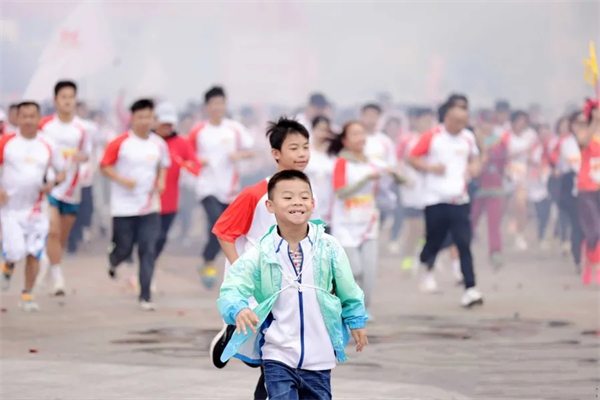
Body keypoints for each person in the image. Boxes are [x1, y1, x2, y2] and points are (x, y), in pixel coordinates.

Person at [217, 170, 368, 400]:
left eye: (304, 197)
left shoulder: (329, 247)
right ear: (270, 205)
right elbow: (233, 286)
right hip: (278, 354)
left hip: (320, 357)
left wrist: (355, 320)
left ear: (313, 203)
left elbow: (349, 290)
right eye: (287, 197)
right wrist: (239, 308)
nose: (297, 202)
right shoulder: (261, 252)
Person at [208, 117, 314, 400]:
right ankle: (233, 334)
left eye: (306, 146)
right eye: (294, 147)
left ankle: (234, 336)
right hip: (260, 286)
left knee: (276, 357)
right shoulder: (256, 193)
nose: (302, 154)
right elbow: (223, 231)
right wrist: (240, 269)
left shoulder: (307, 192)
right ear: (276, 153)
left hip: (294, 285)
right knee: (275, 355)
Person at [408, 103, 484, 307]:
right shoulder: (433, 136)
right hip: (434, 199)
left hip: (459, 199)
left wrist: (474, 168)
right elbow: (412, 158)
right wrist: (431, 167)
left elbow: (475, 158)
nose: (461, 125)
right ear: (447, 119)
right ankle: (424, 256)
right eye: (457, 121)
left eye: (464, 122)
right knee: (435, 240)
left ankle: (471, 288)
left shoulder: (467, 138)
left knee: (463, 243)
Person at [100, 99, 170, 310]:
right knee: (125, 248)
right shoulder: (121, 142)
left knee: (147, 248)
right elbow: (104, 166)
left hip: (149, 206)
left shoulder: (158, 144)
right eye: (140, 117)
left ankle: (145, 295)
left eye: (148, 117)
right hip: (123, 207)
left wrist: (161, 181)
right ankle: (114, 259)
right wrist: (122, 180)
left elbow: (163, 166)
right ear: (132, 118)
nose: (144, 121)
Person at [329, 121, 405, 311]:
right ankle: (341, 303)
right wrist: (366, 179)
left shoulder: (374, 162)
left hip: (369, 222)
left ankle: (363, 309)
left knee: (369, 273)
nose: (360, 138)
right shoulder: (341, 163)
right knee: (354, 269)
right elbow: (340, 192)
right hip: (345, 224)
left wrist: (394, 174)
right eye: (355, 134)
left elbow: (404, 180)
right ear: (345, 141)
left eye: (362, 133)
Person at [0, 101, 65, 311]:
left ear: (39, 119)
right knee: (15, 250)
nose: (28, 121)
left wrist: (53, 183)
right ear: (17, 119)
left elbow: (62, 172)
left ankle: (27, 294)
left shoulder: (48, 145)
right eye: (24, 116)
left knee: (34, 252)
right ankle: (8, 265)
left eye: (32, 116)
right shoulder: (7, 142)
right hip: (10, 209)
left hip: (36, 209)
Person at [187, 86, 254, 289]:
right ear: (207, 106)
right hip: (207, 187)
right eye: (214, 104)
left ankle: (207, 260)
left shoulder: (234, 129)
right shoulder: (198, 131)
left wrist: (238, 156)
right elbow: (187, 158)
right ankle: (209, 264)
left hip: (230, 189)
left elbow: (251, 151)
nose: (218, 107)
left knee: (225, 230)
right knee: (217, 225)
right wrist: (199, 162)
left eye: (221, 103)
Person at [37, 80, 92, 295]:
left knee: (61, 237)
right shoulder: (45, 125)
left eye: (71, 97)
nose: (68, 101)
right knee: (53, 230)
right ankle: (58, 278)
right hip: (50, 186)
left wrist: (81, 157)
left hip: (72, 188)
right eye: (63, 97)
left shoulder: (82, 128)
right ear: (55, 100)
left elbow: (87, 153)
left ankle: (49, 266)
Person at [154, 102, 201, 259]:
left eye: (170, 123)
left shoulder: (181, 143)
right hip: (147, 200)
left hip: (170, 200)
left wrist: (185, 164)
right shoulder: (148, 141)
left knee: (161, 237)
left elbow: (196, 167)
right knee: (147, 238)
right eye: (163, 123)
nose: (167, 126)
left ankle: (150, 264)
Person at [471, 110, 507, 267]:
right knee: (471, 220)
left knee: (493, 223)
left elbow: (503, 164)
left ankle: (495, 252)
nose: (488, 126)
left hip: (494, 187)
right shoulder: (471, 141)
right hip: (476, 187)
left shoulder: (499, 142)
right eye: (485, 122)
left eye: (491, 122)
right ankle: (461, 249)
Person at [549, 114, 583, 270]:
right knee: (578, 224)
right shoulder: (566, 143)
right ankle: (579, 259)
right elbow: (567, 164)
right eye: (578, 123)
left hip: (593, 185)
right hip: (572, 187)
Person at [501, 111, 539, 251]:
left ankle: (520, 235)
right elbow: (502, 155)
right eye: (519, 120)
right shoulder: (505, 135)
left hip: (523, 175)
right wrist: (520, 152)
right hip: (507, 174)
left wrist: (532, 161)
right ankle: (501, 233)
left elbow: (534, 155)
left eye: (524, 120)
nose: (522, 123)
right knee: (505, 206)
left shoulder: (531, 136)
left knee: (521, 205)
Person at [574, 101, 600, 284]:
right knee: (594, 231)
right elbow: (582, 142)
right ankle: (589, 260)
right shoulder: (584, 131)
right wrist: (595, 123)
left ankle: (596, 265)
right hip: (587, 188)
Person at [304, 116, 335, 230]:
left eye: (326, 130)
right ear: (312, 129)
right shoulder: (305, 150)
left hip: (328, 204)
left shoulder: (333, 153)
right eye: (320, 129)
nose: (322, 134)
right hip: (307, 204)